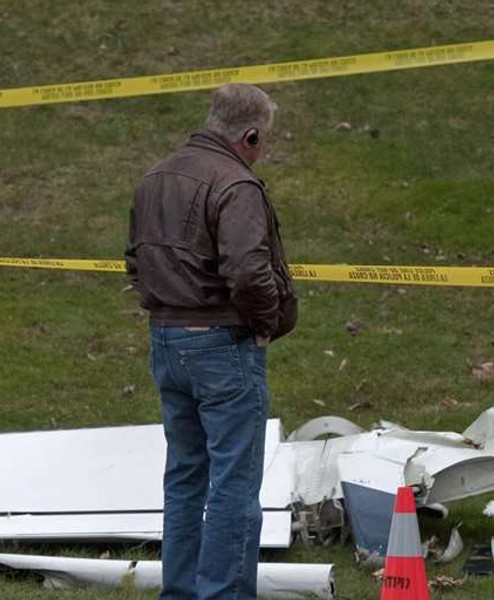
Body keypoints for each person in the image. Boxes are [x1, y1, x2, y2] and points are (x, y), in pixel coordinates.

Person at [125, 83, 298, 600]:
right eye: (262, 141)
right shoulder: (237, 184)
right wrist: (266, 321)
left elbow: (134, 260)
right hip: (222, 345)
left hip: (166, 340)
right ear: (249, 135)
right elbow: (249, 272)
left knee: (184, 477)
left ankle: (179, 590)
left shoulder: (155, 175)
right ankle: (222, 594)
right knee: (234, 484)